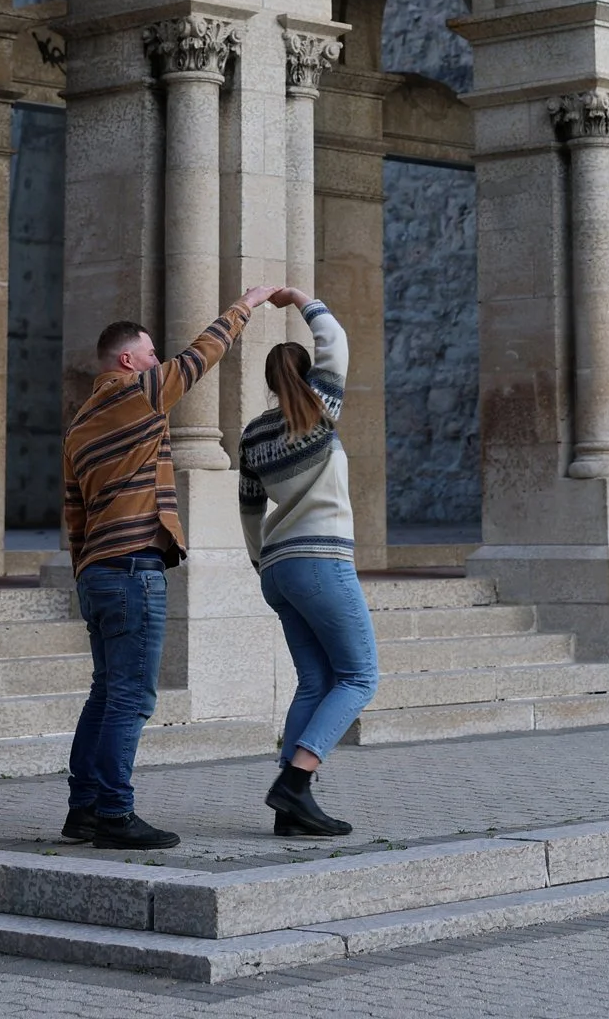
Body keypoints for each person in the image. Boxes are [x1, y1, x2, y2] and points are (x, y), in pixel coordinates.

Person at [62, 286, 278, 849]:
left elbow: (73, 513)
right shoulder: (135, 394)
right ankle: (114, 813)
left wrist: (85, 569)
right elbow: (199, 356)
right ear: (128, 361)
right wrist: (245, 305)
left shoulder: (80, 423)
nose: (159, 362)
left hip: (98, 572)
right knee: (131, 698)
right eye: (150, 353)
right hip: (133, 570)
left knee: (106, 693)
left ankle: (82, 809)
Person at [238, 286, 379, 837]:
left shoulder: (254, 434)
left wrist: (260, 563)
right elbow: (335, 342)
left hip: (279, 567)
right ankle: (296, 782)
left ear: (271, 383)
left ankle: (288, 811)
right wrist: (301, 299)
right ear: (305, 375)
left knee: (316, 681)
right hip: (320, 560)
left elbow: (249, 510)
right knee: (360, 676)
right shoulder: (320, 411)